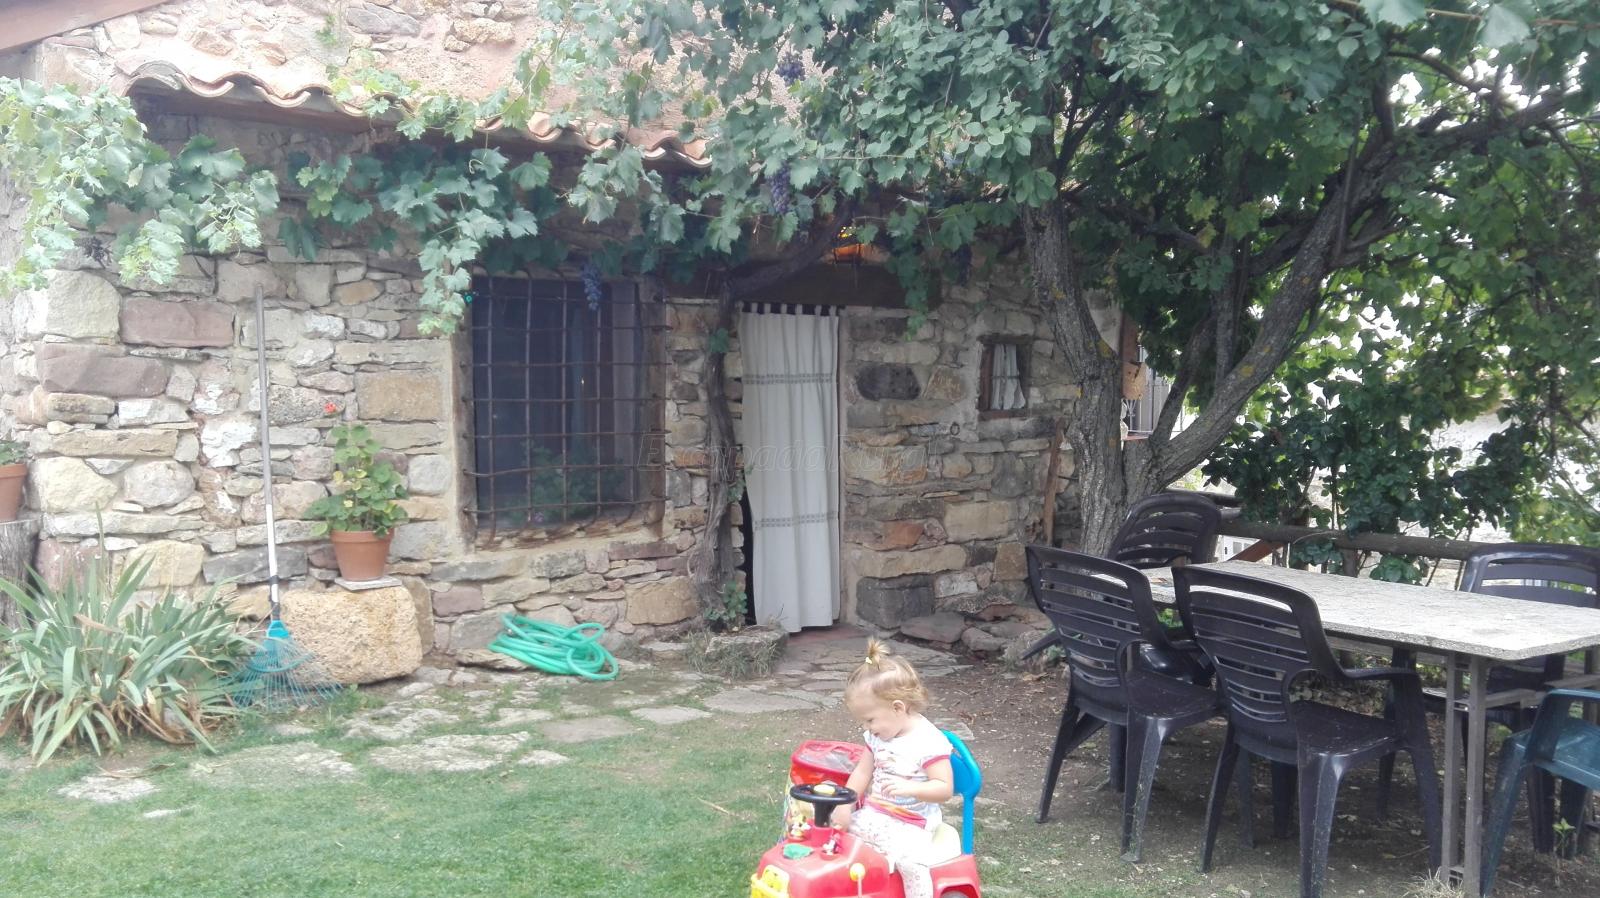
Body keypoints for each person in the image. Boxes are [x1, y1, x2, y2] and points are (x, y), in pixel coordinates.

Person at [835, 638, 954, 898]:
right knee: (836, 839)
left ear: (898, 707)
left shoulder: (928, 742)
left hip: (912, 823)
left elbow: (944, 789)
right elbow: (862, 772)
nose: (866, 728)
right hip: (875, 814)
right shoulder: (876, 738)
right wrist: (844, 805)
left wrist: (911, 788)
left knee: (910, 863)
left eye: (870, 720)